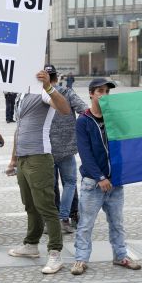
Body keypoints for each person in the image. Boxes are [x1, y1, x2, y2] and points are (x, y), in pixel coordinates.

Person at [71, 78, 141, 276]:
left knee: (117, 223)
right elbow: (85, 154)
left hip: (115, 182)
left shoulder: (113, 118)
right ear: (91, 94)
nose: (104, 95)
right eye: (100, 91)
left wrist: (119, 116)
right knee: (86, 224)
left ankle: (121, 256)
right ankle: (81, 259)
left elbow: (128, 135)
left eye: (107, 92)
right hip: (93, 184)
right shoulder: (83, 121)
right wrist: (100, 177)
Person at [6, 69, 70, 274]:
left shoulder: (43, 92)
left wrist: (49, 87)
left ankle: (55, 253)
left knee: (46, 206)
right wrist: (13, 159)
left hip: (39, 157)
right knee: (30, 205)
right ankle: (31, 244)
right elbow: (19, 129)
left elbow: (64, 109)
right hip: (24, 158)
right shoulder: (22, 94)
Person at [45, 64, 88, 234]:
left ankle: (53, 219)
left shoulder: (39, 94)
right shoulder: (66, 92)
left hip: (46, 149)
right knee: (69, 183)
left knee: (51, 185)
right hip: (67, 148)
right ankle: (65, 218)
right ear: (57, 77)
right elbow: (85, 110)